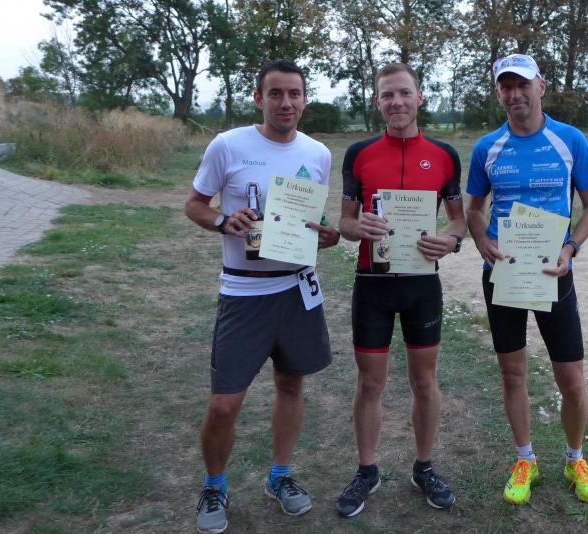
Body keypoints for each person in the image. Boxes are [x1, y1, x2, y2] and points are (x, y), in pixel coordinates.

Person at [185, 59, 340, 533]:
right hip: (244, 292)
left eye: (294, 93)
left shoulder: (318, 154)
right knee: (224, 404)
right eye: (276, 93)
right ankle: (215, 485)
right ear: (259, 99)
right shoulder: (228, 145)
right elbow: (194, 204)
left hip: (296, 290)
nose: (285, 103)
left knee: (291, 386)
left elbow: (313, 222)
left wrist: (328, 236)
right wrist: (221, 221)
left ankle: (280, 476)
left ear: (304, 99)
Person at [465, 54, 588, 505]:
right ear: (498, 93)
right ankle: (525, 459)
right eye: (505, 86)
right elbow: (473, 209)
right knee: (513, 374)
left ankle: (574, 458)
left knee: (573, 380)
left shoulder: (570, 140)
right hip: (502, 275)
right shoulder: (487, 147)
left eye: (522, 84)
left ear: (540, 87)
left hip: (554, 273)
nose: (515, 94)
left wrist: (570, 248)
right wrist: (482, 240)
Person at [335, 63, 467, 518]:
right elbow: (345, 221)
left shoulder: (445, 155)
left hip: (421, 284)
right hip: (372, 285)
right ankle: (367, 470)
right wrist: (358, 227)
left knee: (424, 381)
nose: (396, 102)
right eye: (387, 95)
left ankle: (424, 467)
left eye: (404, 93)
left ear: (419, 97)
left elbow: (457, 220)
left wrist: (450, 240)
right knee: (370, 382)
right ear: (377, 102)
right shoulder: (359, 153)